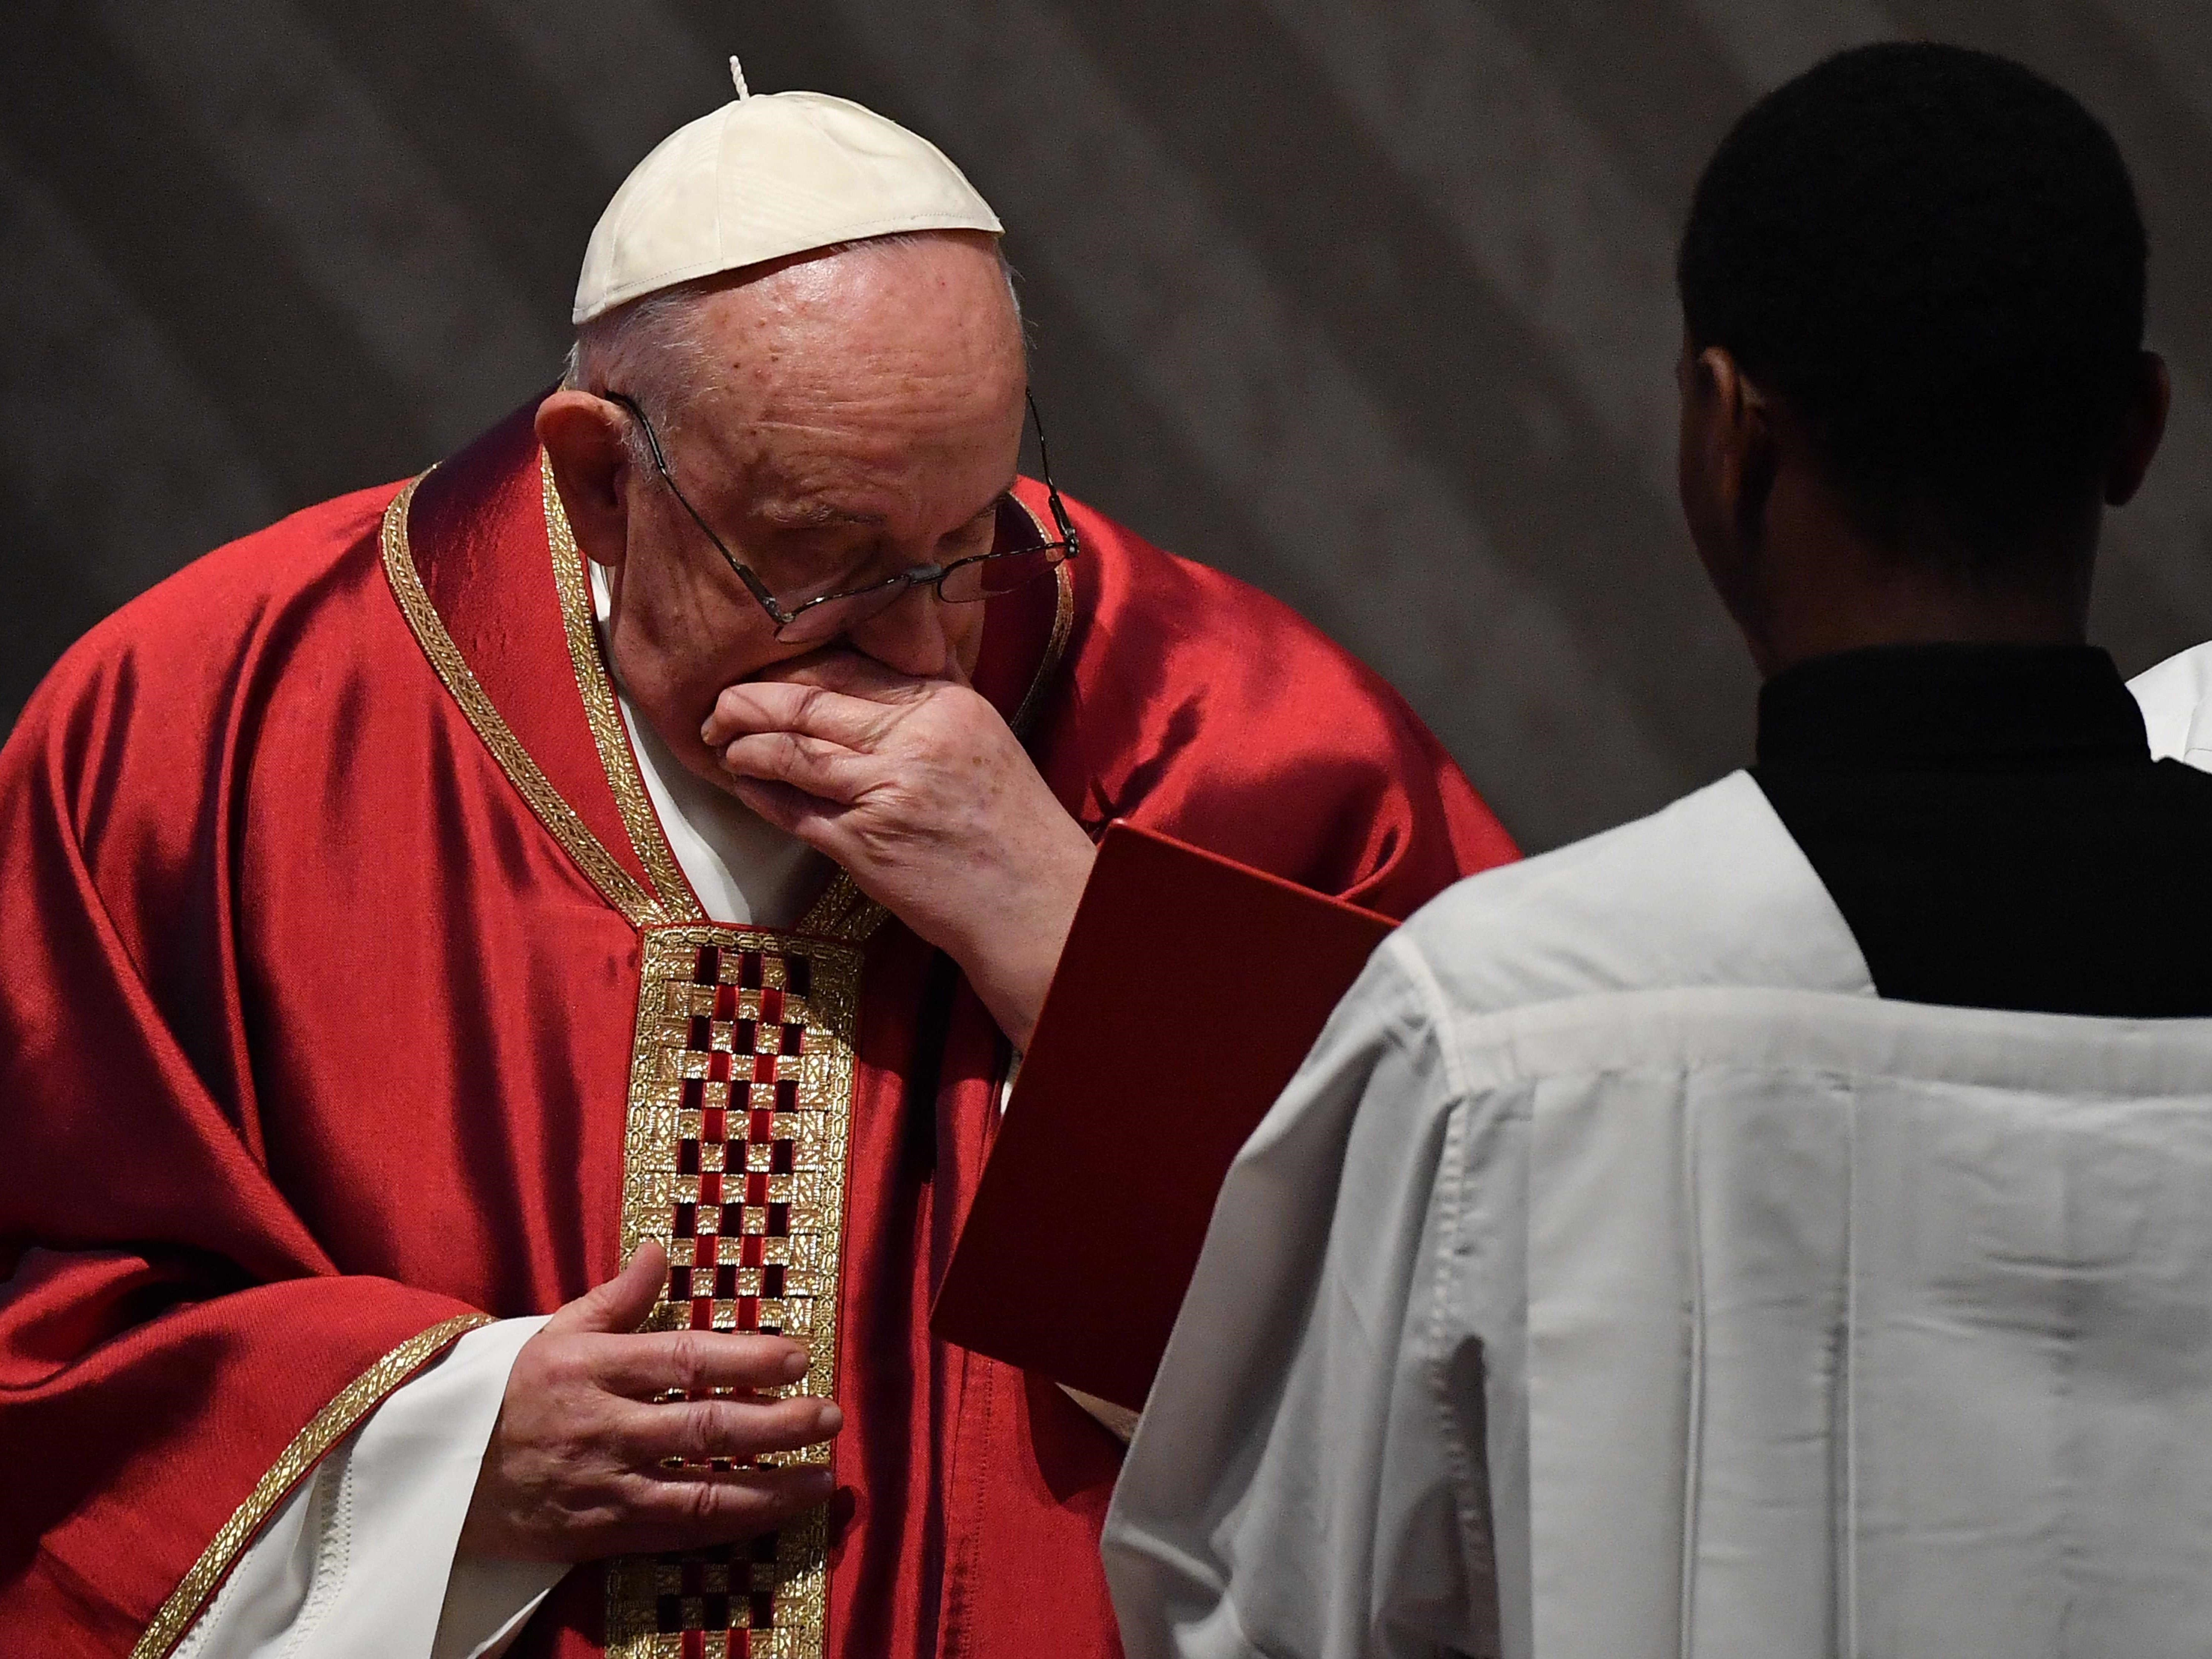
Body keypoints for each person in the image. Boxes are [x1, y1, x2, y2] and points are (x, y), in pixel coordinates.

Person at [0, 68, 1517, 1659]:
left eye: (972, 541)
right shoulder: (207, 728)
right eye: (836, 568)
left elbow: (1463, 1311)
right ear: (600, 479)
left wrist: (1060, 925)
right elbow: (51, 1345)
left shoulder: (1254, 737)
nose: (927, 648)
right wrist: (435, 1450)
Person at [1104, 42, 2212, 1658]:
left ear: (1725, 432)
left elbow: (1265, 1620)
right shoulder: (1513, 1032)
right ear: (2135, 431)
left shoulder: (1507, 1037)